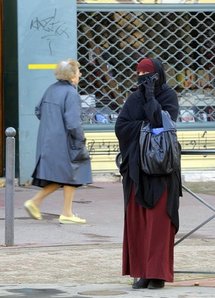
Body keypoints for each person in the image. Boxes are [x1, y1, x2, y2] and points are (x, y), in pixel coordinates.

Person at [115, 57, 182, 289]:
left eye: (149, 77)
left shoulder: (168, 97)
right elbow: (121, 127)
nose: (144, 81)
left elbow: (162, 125)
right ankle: (143, 271)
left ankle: (158, 274)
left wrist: (151, 99)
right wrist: (146, 126)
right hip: (137, 172)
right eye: (140, 76)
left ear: (159, 76)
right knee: (140, 223)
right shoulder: (134, 98)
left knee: (159, 223)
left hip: (161, 171)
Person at [24, 59, 92, 224]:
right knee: (73, 171)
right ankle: (37, 202)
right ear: (72, 76)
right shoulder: (71, 93)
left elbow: (38, 111)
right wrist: (81, 138)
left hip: (48, 140)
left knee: (68, 174)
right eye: (78, 72)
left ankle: (65, 211)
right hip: (65, 141)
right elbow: (73, 123)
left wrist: (52, 123)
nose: (80, 74)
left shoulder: (50, 90)